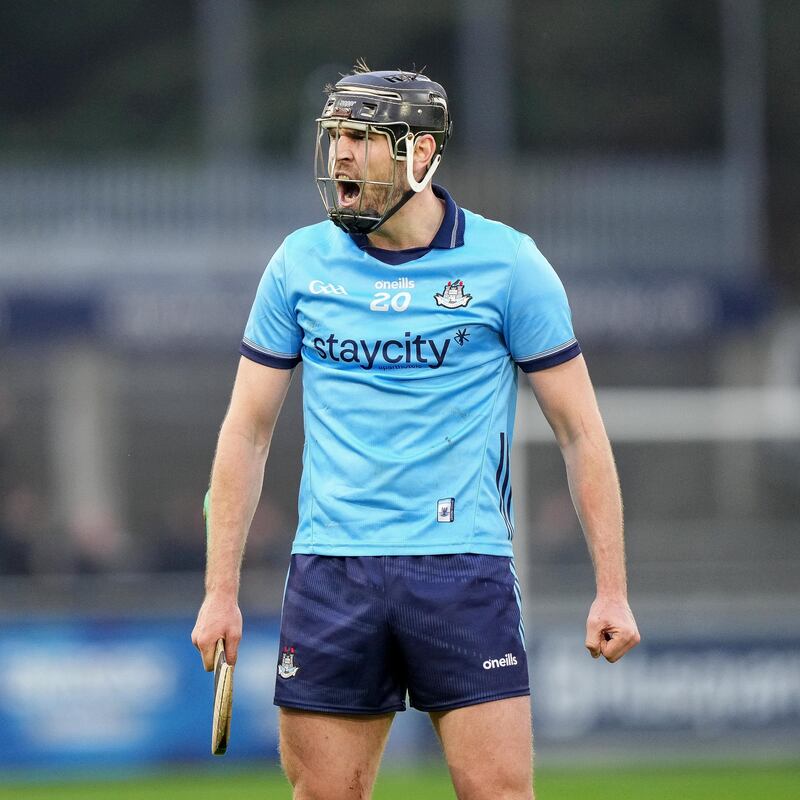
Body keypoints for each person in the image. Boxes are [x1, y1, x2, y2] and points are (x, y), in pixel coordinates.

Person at [192, 63, 640, 800]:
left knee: (497, 791)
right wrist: (220, 592)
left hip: (463, 567)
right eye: (336, 135)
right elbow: (246, 432)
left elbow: (580, 432)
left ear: (421, 154)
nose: (340, 154)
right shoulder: (298, 264)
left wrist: (613, 590)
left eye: (363, 138)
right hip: (332, 570)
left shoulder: (510, 265)